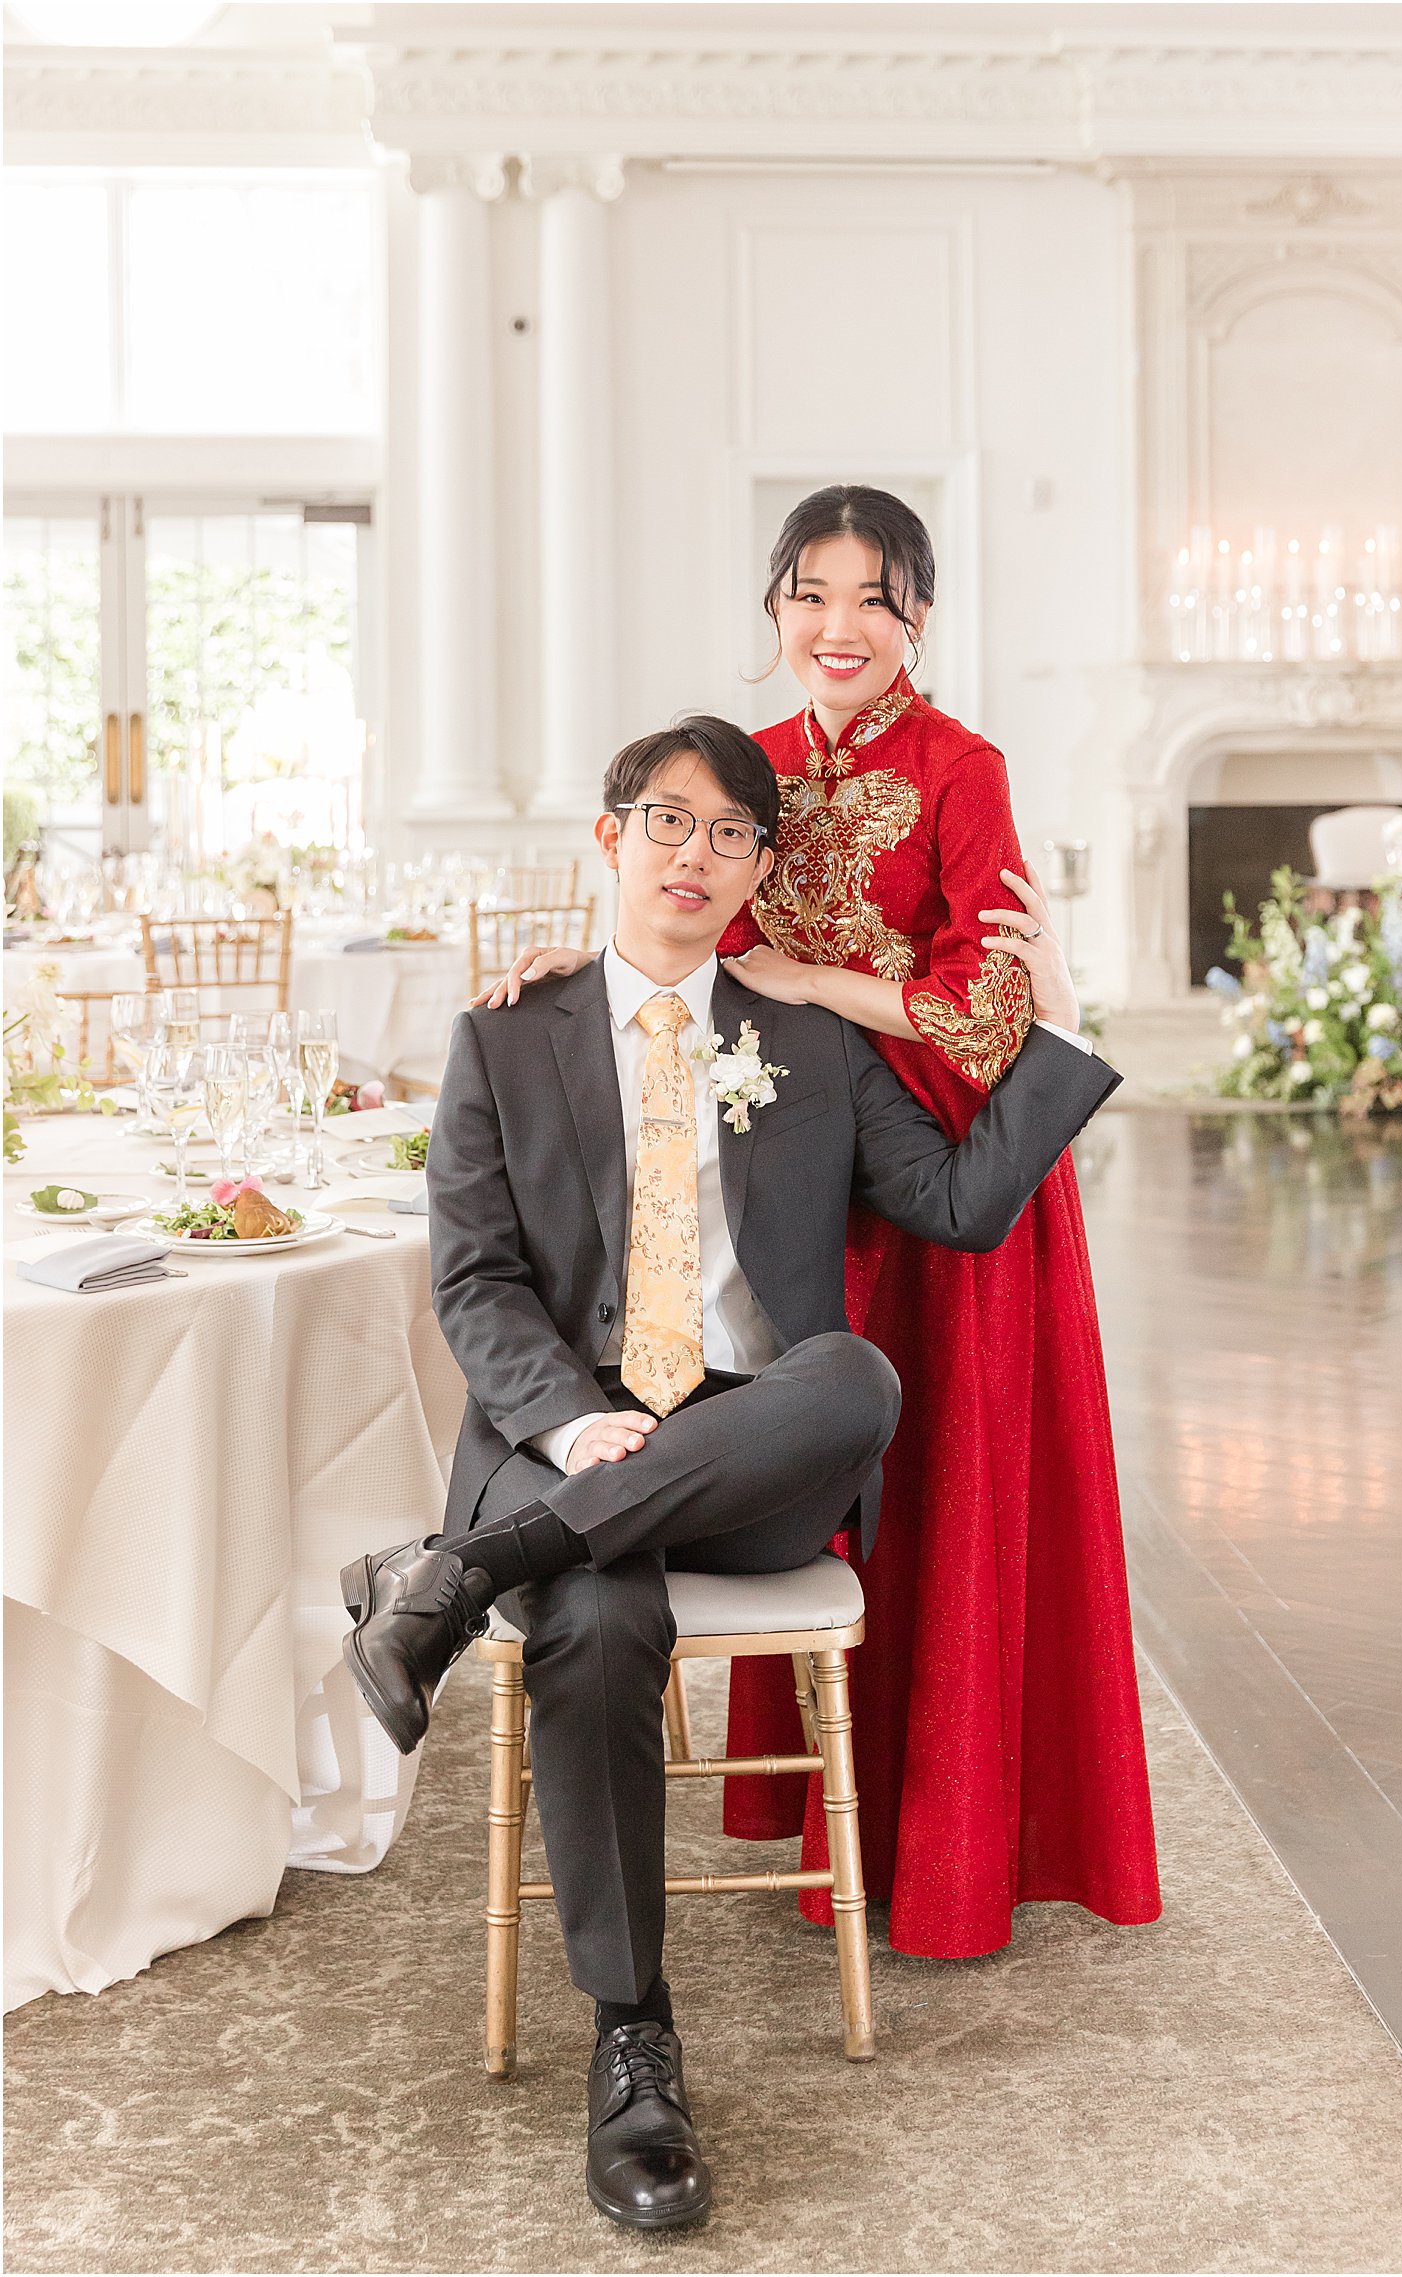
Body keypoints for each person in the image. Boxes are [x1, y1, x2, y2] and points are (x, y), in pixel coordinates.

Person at [345, 715, 1119, 2230]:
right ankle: (635, 2041)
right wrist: (575, 1426)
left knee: (857, 1373)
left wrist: (1054, 1018)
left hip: (753, 1438)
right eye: (668, 822)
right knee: (597, 1615)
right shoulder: (507, 1033)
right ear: (609, 836)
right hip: (563, 1432)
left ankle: (455, 1580)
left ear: (760, 867)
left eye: (728, 835)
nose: (693, 855)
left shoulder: (807, 1036)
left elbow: (960, 1204)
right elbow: (478, 1285)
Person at [475, 488, 1161, 1960]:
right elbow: (682, 926)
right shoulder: (755, 771)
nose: (839, 627)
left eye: (876, 599)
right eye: (812, 594)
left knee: (944, 1500)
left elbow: (992, 1009)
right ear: (773, 608)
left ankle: (955, 1852)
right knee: (802, 1451)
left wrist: (817, 987)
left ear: (919, 616)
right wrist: (576, 953)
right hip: (793, 1181)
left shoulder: (959, 767)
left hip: (947, 1177)